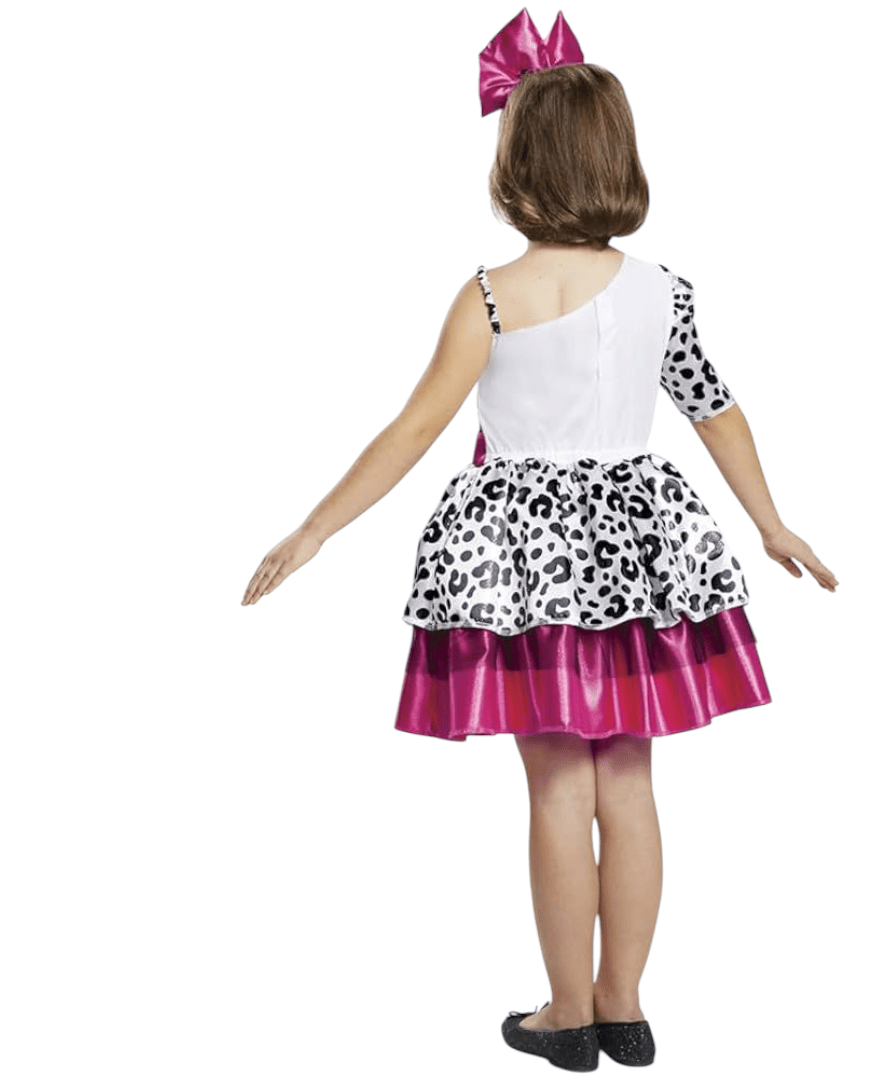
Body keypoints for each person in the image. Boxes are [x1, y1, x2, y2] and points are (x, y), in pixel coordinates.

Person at [242, 8, 838, 1071]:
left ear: (516, 166)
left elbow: (414, 431)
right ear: (618, 159)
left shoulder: (490, 297)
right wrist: (768, 520)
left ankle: (569, 1016)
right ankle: (624, 1007)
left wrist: (313, 529)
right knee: (631, 783)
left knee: (558, 783)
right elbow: (716, 411)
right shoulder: (664, 292)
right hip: (643, 552)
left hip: (525, 565)